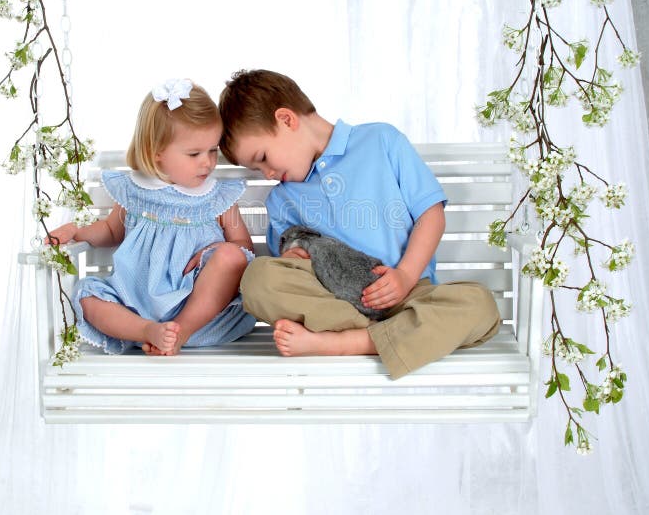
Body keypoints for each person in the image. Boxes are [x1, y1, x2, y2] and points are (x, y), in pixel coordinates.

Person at [218, 69, 501, 379]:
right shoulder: (282, 200)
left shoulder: (381, 141)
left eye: (263, 158)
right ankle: (391, 338)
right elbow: (289, 269)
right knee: (258, 279)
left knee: (480, 305)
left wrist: (405, 276)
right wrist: (294, 257)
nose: (267, 174)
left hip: (409, 296)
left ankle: (346, 343)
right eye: (256, 169)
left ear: (287, 120)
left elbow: (431, 215)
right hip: (338, 306)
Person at [47, 79, 256, 356]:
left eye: (212, 150)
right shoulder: (136, 191)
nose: (207, 162)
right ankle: (148, 331)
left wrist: (219, 248)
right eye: (194, 153)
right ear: (157, 153)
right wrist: (77, 231)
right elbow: (111, 231)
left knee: (232, 256)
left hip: (201, 313)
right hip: (135, 305)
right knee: (87, 295)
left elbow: (243, 246)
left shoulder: (218, 197)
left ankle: (178, 332)